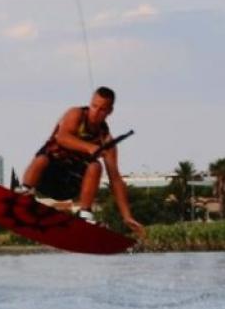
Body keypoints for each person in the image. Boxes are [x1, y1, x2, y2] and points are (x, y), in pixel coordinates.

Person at [19, 86, 145, 240]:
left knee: (95, 166)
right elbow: (62, 137)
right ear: (90, 103)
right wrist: (89, 147)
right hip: (46, 178)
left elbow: (115, 180)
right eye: (94, 106)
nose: (95, 112)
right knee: (43, 158)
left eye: (102, 109)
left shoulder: (106, 140)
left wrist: (127, 216)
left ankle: (85, 214)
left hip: (68, 186)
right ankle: (24, 195)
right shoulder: (76, 114)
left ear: (109, 112)